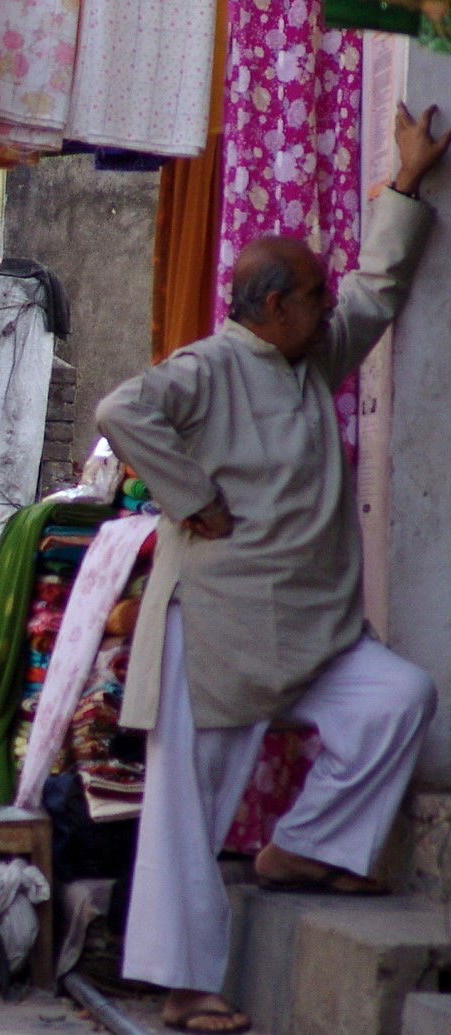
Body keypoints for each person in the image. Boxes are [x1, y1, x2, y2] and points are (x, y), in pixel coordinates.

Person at [94, 105, 448, 1035]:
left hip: (313, 628)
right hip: (214, 630)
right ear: (273, 305)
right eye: (313, 297)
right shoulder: (211, 365)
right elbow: (122, 408)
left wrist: (405, 184)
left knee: (396, 698)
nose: (329, 308)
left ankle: (302, 847)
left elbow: (374, 291)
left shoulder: (310, 352)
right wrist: (186, 495)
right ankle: (183, 988)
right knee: (186, 813)